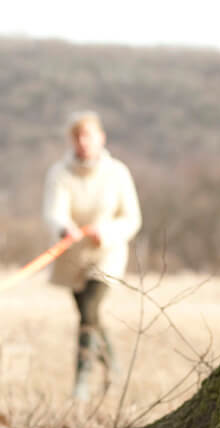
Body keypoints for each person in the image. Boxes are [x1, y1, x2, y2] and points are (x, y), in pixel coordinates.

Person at [42, 111, 142, 400]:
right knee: (90, 316)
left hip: (106, 255)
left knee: (89, 312)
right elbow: (54, 211)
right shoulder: (60, 173)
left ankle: (81, 381)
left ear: (101, 138)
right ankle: (114, 366)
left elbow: (131, 218)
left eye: (88, 136)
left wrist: (106, 232)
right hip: (72, 256)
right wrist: (65, 228)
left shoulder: (117, 173)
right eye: (77, 137)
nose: (83, 142)